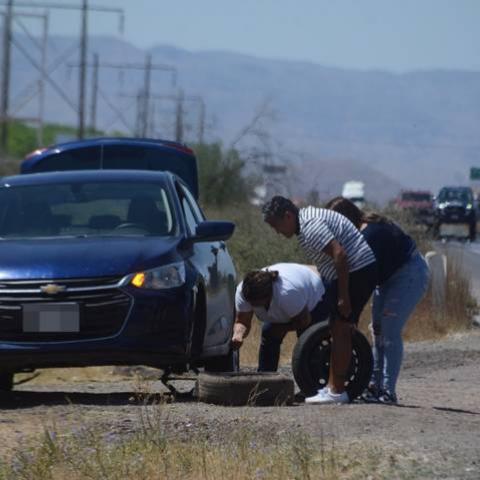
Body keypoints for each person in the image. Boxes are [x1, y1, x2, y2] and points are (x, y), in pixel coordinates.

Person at [262, 196, 377, 405]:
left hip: (357, 271)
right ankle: (332, 388)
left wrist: (343, 296)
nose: (277, 232)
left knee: (341, 328)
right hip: (353, 272)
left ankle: (336, 392)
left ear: (288, 216)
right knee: (337, 328)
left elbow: (340, 255)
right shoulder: (306, 223)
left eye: (276, 225)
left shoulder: (310, 226)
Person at [325, 196, 430, 404]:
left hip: (408, 275)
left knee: (389, 331)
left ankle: (388, 391)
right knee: (378, 330)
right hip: (389, 279)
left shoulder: (370, 234)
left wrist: (351, 315)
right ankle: (374, 386)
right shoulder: (360, 232)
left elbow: (365, 281)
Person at [232, 263, 328, 372]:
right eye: (249, 301)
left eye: (255, 302)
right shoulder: (243, 293)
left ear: (268, 296)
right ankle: (265, 379)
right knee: (269, 333)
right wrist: (238, 335)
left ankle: (314, 379)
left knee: (307, 342)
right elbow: (242, 322)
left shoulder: (287, 293)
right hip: (293, 298)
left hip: (314, 296)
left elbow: (304, 321)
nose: (251, 305)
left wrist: (281, 329)